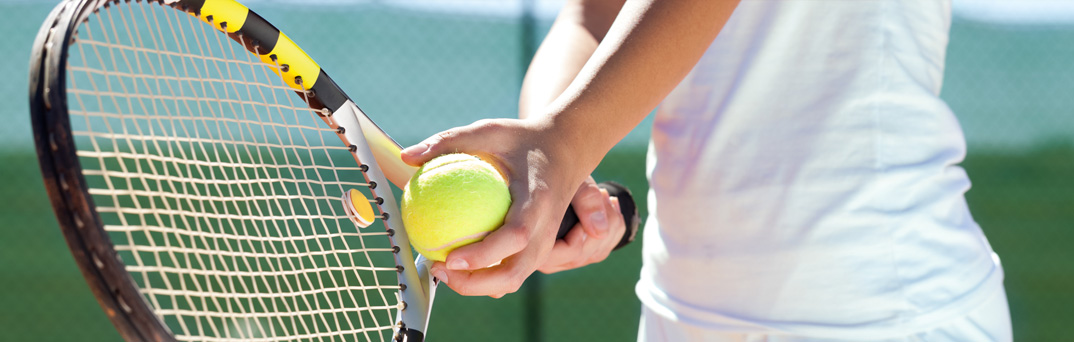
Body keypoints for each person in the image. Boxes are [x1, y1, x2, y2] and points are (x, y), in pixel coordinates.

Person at [400, 0, 1011, 340]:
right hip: (680, 312)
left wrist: (563, 143)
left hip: (877, 315)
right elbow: (591, 16)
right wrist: (559, 177)